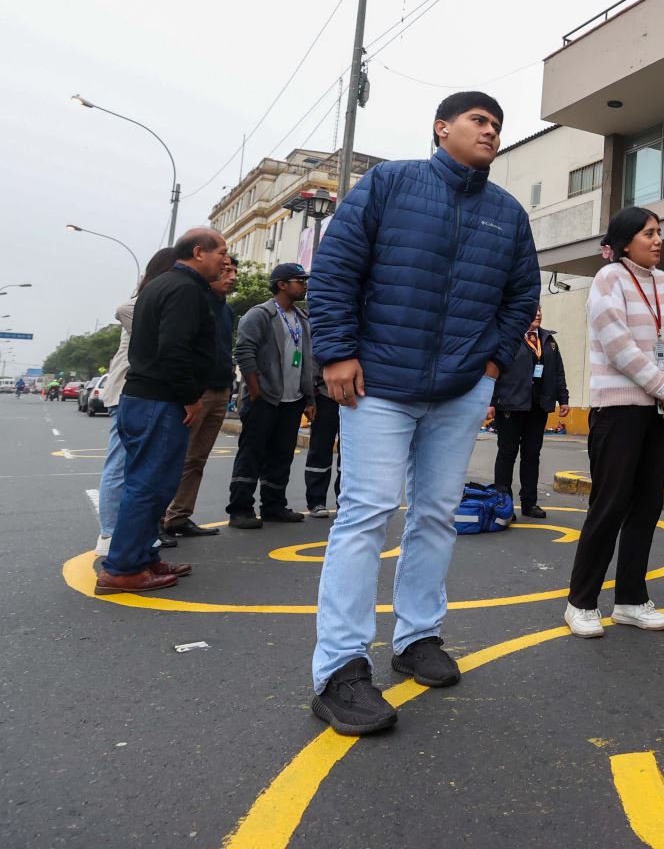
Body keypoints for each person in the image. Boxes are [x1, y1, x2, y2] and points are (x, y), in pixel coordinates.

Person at [307, 90, 539, 735]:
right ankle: (340, 670)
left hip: (461, 388)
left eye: (498, 123)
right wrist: (337, 353)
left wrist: (491, 363)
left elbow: (521, 295)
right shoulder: (390, 183)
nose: (491, 131)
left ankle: (417, 639)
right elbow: (335, 271)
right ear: (442, 129)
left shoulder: (507, 214)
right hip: (377, 381)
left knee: (437, 513)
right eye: (479, 121)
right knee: (366, 513)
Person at [563, 208, 664, 639]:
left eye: (660, 233)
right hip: (618, 411)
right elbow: (617, 344)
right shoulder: (609, 279)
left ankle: (631, 600)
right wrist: (662, 385)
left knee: (647, 504)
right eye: (649, 233)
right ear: (624, 241)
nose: (658, 240)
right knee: (610, 504)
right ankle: (581, 602)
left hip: (660, 410)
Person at [95, 228, 230, 595]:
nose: (225, 261)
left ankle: (142, 557)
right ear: (199, 252)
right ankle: (122, 569)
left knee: (154, 485)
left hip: (148, 397)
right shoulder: (184, 289)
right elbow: (173, 348)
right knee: (148, 486)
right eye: (221, 253)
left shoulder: (162, 284)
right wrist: (190, 396)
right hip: (160, 400)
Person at [94, 247, 177, 557]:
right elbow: (123, 309)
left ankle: (134, 532)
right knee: (120, 465)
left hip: (149, 393)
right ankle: (109, 533)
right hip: (128, 391)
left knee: (142, 469)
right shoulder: (142, 303)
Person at [226, 263, 314, 529]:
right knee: (252, 452)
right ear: (281, 284)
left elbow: (307, 360)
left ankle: (273, 505)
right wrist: (255, 390)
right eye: (298, 280)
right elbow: (244, 352)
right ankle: (240, 509)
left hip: (293, 399)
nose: (304, 285)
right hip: (264, 397)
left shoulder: (302, 318)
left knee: (282, 454)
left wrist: (309, 399)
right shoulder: (260, 314)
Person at [160, 256, 237, 538]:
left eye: (234, 272)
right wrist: (189, 391)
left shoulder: (227, 311)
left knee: (197, 459)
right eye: (226, 270)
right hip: (196, 392)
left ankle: (178, 517)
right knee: (176, 457)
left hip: (219, 392)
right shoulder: (194, 299)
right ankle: (158, 519)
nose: (231, 277)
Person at [490, 306, 571, 520]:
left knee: (532, 455)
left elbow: (558, 372)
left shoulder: (548, 341)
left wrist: (563, 399)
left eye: (540, 309)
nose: (538, 313)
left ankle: (529, 502)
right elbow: (494, 369)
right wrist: (491, 401)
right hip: (510, 404)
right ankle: (504, 504)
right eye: (533, 310)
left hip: (538, 407)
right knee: (507, 454)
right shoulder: (509, 337)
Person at [302, 370, 341, 519]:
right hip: (325, 394)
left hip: (353, 397)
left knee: (350, 454)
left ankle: (345, 501)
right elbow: (313, 361)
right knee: (320, 449)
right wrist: (310, 397)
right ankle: (316, 501)